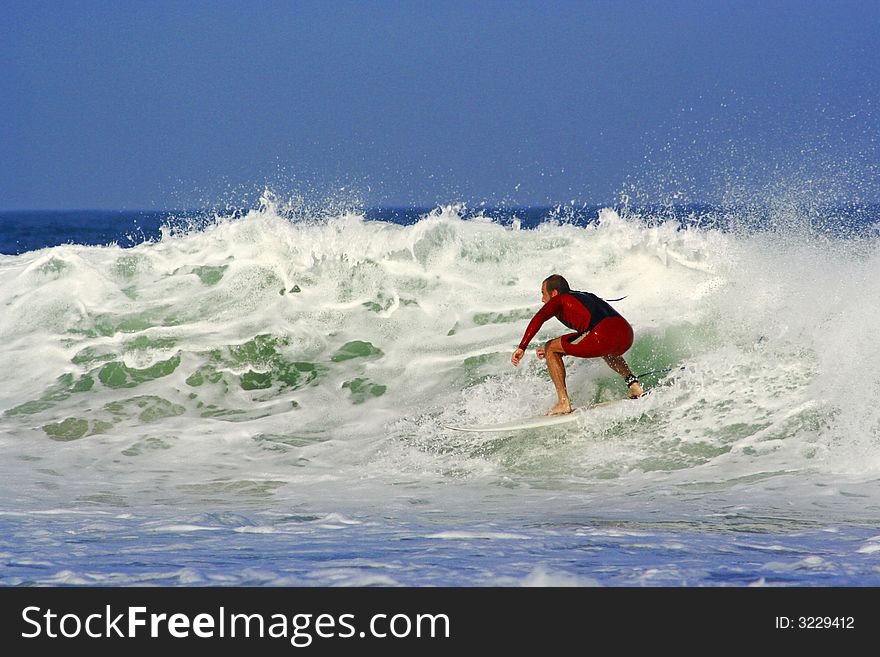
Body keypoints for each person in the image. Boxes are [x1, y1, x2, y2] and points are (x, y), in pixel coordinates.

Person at [510, 274, 644, 415]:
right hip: (626, 334)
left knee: (550, 346)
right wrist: (560, 350)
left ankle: (563, 402)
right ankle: (634, 385)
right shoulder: (585, 296)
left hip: (600, 336)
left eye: (543, 294)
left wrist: (522, 347)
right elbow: (587, 334)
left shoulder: (559, 300)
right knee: (605, 349)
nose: (543, 299)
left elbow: (539, 318)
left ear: (554, 293)